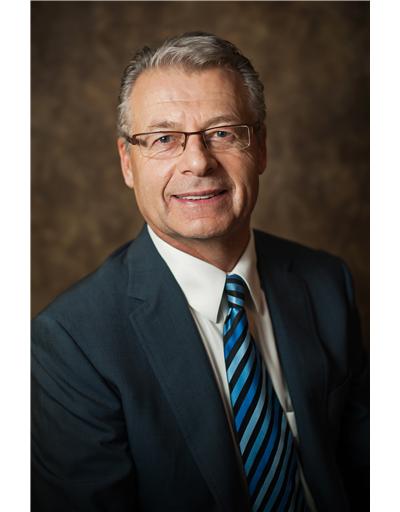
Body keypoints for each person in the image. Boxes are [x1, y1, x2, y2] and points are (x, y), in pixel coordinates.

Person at [31, 32, 369, 512]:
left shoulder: (326, 282)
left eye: (223, 133)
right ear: (127, 163)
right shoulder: (71, 343)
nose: (197, 162)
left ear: (261, 148)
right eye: (164, 139)